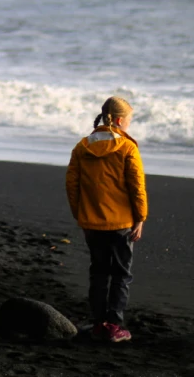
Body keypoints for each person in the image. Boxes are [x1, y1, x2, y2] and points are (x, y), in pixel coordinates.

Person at [65, 96, 148, 343]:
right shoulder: (127, 147)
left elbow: (72, 185)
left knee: (99, 273)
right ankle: (114, 325)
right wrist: (140, 217)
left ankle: (99, 323)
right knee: (122, 274)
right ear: (120, 120)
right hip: (122, 223)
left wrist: (80, 214)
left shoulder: (82, 146)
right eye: (129, 120)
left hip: (92, 222)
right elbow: (137, 187)